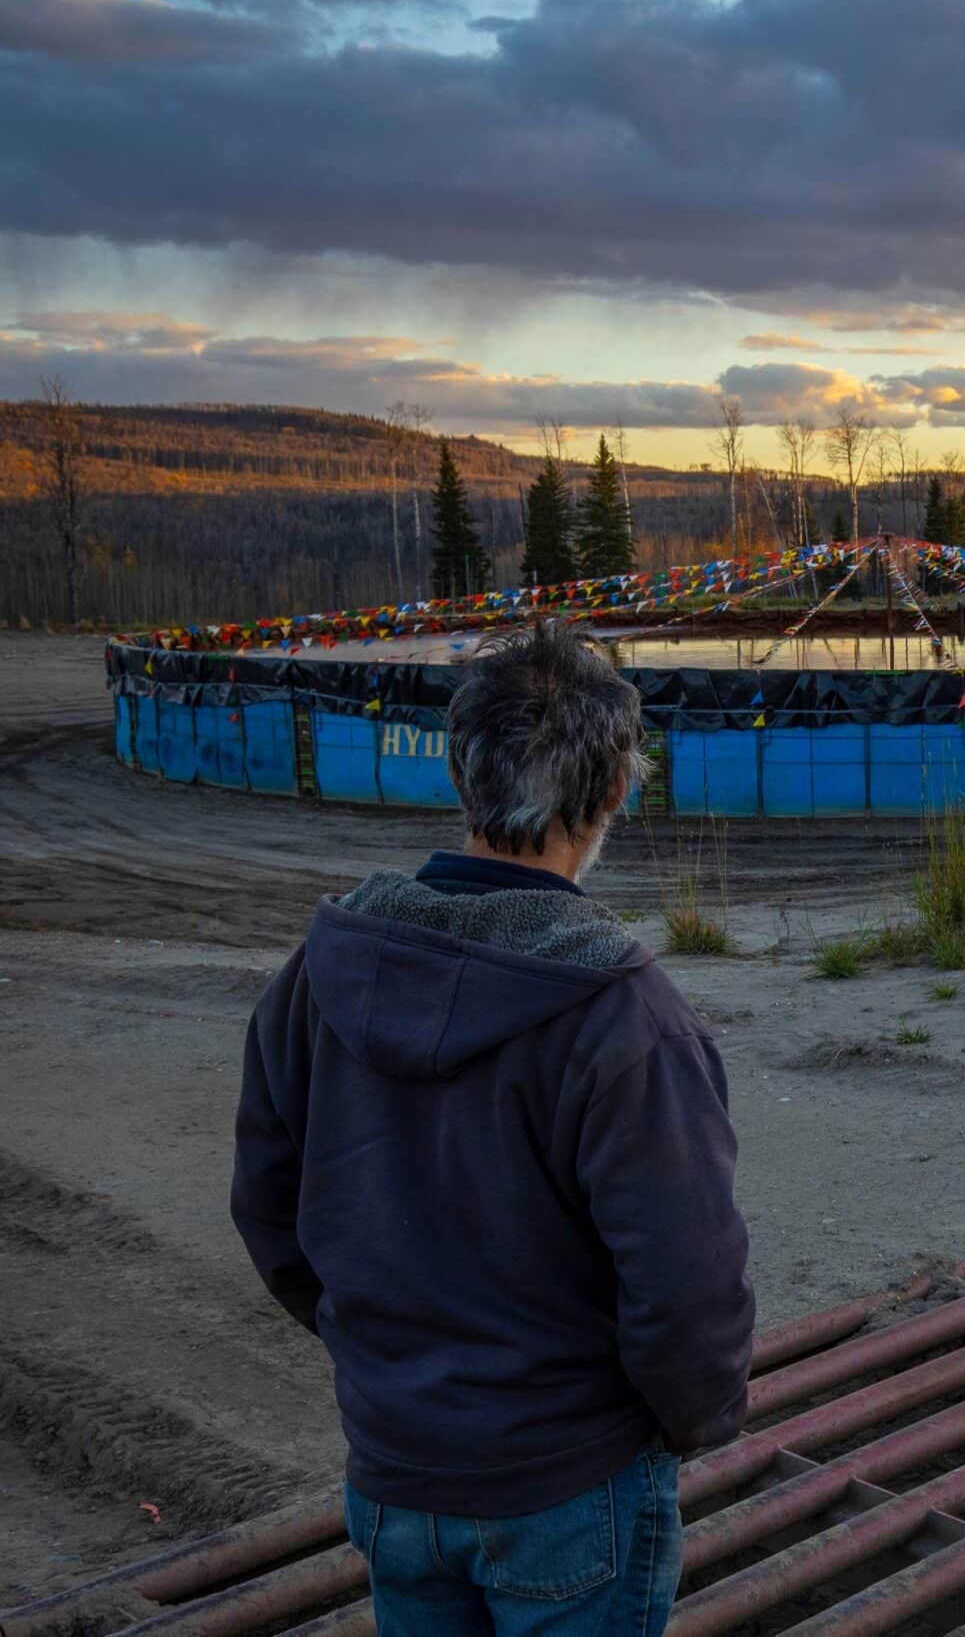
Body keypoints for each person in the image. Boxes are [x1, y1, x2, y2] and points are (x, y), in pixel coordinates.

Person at [231, 617, 754, 1637]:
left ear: (461, 778)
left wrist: (388, 1364)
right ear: (611, 794)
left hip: (394, 1476)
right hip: (569, 1485)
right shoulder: (622, 1013)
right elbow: (687, 1281)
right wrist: (687, 1423)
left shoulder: (320, 974)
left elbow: (269, 1208)